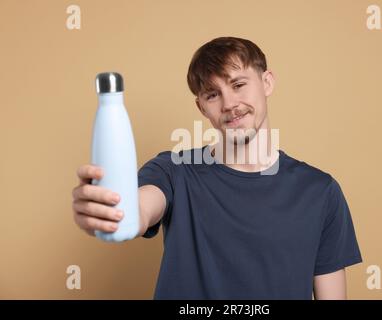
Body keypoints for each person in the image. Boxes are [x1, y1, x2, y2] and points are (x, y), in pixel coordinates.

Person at [72, 37, 362, 299]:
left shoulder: (319, 191)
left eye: (238, 85)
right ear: (201, 107)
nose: (229, 104)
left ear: (267, 82)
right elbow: (140, 209)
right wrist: (113, 212)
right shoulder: (174, 171)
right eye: (213, 94)